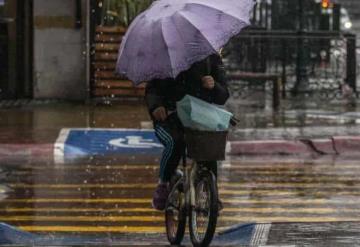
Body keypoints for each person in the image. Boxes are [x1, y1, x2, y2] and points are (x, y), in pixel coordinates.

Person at [145, 53, 230, 211]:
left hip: (198, 117)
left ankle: (211, 194)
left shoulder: (212, 58)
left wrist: (214, 86)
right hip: (169, 118)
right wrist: (156, 106)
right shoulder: (165, 56)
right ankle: (163, 184)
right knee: (174, 142)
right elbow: (152, 89)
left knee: (209, 147)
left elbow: (223, 95)